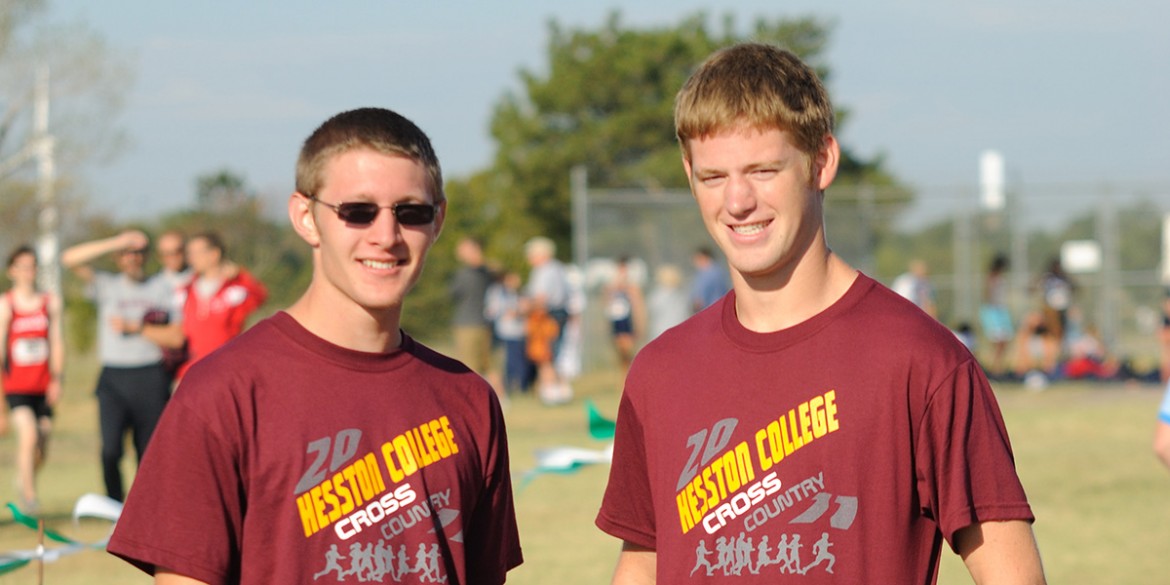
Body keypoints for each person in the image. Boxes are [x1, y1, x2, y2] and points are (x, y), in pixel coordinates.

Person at [595, 43, 1045, 584]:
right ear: (689, 174)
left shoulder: (919, 360)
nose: (737, 201)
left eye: (763, 170)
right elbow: (645, 560)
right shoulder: (659, 372)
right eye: (714, 177)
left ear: (821, 161)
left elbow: (1013, 575)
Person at [107, 107, 522, 585]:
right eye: (357, 212)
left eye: (411, 212)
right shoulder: (221, 393)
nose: (385, 237)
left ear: (438, 220)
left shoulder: (468, 399)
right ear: (306, 217)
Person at [61, 230, 176, 503]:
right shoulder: (107, 285)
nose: (133, 258)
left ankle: (146, 509)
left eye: (138, 252)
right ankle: (114, 505)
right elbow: (68, 259)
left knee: (148, 452)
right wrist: (117, 241)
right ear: (118, 258)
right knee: (110, 449)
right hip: (114, 377)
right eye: (126, 253)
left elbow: (176, 335)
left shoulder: (162, 287)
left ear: (146, 257)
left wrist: (136, 328)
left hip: (150, 375)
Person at [150, 232, 269, 381]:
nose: (191, 258)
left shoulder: (233, 289)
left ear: (214, 254)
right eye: (190, 253)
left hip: (226, 371)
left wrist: (240, 273)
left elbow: (260, 295)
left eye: (197, 252)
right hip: (190, 373)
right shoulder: (184, 291)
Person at [0, 245, 64, 514]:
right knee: (28, 435)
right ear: (12, 271)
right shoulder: (7, 304)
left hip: (42, 385)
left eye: (32, 265)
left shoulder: (50, 302)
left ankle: (24, 478)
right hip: (16, 386)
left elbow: (57, 341)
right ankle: (29, 497)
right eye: (22, 266)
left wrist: (57, 378)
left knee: (42, 443)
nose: (28, 271)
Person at [524, 236, 572, 404]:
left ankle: (550, 391)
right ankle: (562, 389)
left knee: (545, 354)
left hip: (547, 316)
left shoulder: (543, 271)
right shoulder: (558, 268)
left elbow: (540, 298)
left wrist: (522, 307)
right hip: (560, 313)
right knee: (557, 352)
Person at [449, 236, 495, 379]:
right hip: (484, 322)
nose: (458, 252)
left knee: (470, 367)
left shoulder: (469, 273)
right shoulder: (489, 270)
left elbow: (453, 294)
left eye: (462, 248)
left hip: (468, 324)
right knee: (488, 364)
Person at [484, 270, 530, 395]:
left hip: (519, 332)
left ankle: (521, 386)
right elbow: (491, 311)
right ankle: (509, 386)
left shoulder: (520, 293)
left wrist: (520, 311)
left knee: (519, 360)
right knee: (507, 361)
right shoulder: (499, 293)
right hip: (504, 332)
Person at [604, 256, 646, 384]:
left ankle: (633, 375)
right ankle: (624, 376)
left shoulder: (632, 287)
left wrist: (639, 323)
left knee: (629, 348)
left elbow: (637, 304)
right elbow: (606, 299)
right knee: (620, 350)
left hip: (628, 321)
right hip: (616, 321)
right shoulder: (612, 287)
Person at [979, 253, 1014, 378]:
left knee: (1004, 342)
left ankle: (998, 367)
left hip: (1000, 310)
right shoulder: (991, 278)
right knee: (997, 342)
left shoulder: (1000, 278)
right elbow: (988, 296)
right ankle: (994, 368)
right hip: (993, 312)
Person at [646, 263, 690, 340]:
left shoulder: (656, 295)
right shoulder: (683, 295)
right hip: (680, 333)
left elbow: (650, 312)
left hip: (659, 333)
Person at [690, 246, 730, 312]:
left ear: (703, 257)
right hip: (721, 309)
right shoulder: (719, 271)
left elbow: (699, 300)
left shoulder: (707, 274)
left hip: (709, 311)